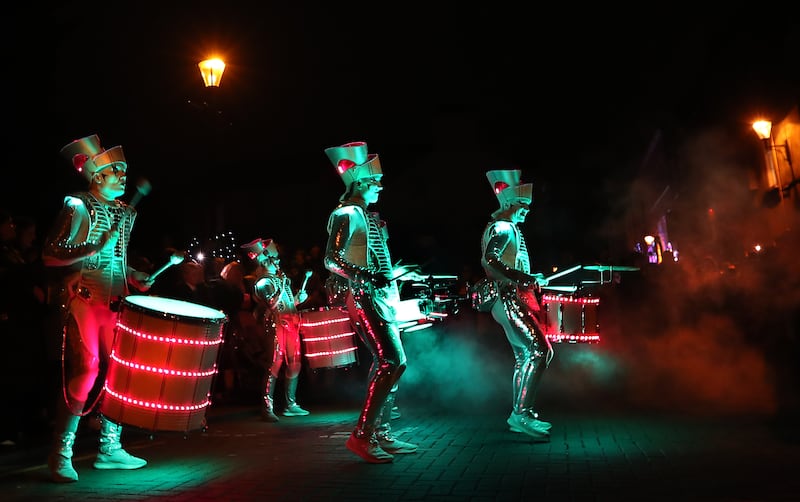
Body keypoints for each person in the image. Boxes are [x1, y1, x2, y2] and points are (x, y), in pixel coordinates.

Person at [41, 134, 153, 482]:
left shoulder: (126, 211)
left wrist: (135, 275)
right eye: (115, 170)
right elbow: (50, 253)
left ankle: (110, 447)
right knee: (87, 370)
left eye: (124, 170)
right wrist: (88, 249)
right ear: (95, 175)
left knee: (120, 373)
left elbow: (117, 259)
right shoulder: (77, 205)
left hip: (116, 302)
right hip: (84, 300)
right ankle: (61, 451)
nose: (123, 175)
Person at [323, 141, 424, 463]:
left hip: (377, 296)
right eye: (375, 181)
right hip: (363, 295)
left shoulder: (364, 215)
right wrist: (366, 276)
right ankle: (363, 435)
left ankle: (379, 432)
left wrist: (398, 273)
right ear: (360, 183)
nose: (380, 186)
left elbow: (371, 263)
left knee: (393, 362)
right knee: (390, 361)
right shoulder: (348, 212)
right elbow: (333, 259)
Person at [480, 169, 553, 442]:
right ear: (510, 203)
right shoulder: (503, 227)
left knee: (526, 356)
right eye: (523, 206)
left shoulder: (502, 226)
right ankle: (522, 413)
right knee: (540, 351)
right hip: (510, 297)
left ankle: (521, 413)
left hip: (510, 297)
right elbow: (492, 260)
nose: (527, 211)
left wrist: (530, 278)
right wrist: (526, 278)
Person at [242, 238, 311, 422]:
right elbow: (272, 304)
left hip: (291, 324)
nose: (279, 262)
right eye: (275, 259)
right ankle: (267, 406)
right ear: (266, 261)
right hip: (276, 325)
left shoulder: (280, 279)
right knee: (275, 363)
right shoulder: (263, 282)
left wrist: (298, 298)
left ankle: (291, 404)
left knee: (295, 362)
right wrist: (283, 285)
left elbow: (289, 304)